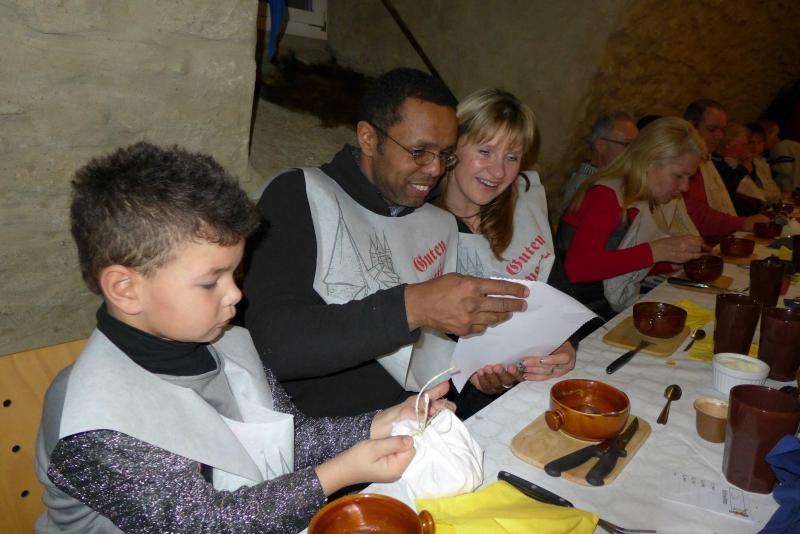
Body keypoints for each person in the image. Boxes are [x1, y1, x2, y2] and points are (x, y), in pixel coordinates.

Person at [35, 142, 452, 533]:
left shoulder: (228, 344)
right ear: (126, 289)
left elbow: (288, 439)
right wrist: (338, 474)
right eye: (210, 282)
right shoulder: (92, 418)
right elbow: (206, 524)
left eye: (234, 273)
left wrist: (378, 424)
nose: (236, 294)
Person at [242, 68, 528, 418]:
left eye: (445, 155)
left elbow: (444, 354)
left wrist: (479, 375)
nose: (435, 169)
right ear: (368, 138)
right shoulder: (299, 196)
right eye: (419, 151)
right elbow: (273, 347)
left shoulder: (441, 223)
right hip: (330, 433)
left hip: (422, 418)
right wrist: (411, 306)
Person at [432, 88, 582, 416]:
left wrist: (566, 345)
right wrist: (472, 380)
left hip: (532, 390)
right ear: (452, 148)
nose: (499, 171)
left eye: (512, 157)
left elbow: (562, 301)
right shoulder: (417, 224)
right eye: (485, 151)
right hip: (450, 409)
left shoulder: (525, 214)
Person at [558, 117, 705, 318]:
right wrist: (655, 251)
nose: (685, 187)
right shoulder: (605, 196)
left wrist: (670, 261)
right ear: (649, 162)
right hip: (578, 313)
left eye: (689, 178)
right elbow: (577, 268)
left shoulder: (637, 196)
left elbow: (619, 263)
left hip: (600, 302)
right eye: (679, 176)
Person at [682, 99, 768, 238]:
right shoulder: (685, 162)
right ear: (691, 126)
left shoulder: (707, 158)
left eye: (722, 130)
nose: (719, 136)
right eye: (711, 129)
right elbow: (697, 215)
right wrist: (743, 223)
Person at [560, 111, 638, 215]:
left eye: (637, 145)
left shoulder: (614, 180)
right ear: (601, 145)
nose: (635, 152)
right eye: (628, 145)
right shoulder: (585, 187)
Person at [744, 122, 782, 203]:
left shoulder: (762, 165)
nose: (755, 147)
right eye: (751, 142)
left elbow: (775, 192)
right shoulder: (740, 165)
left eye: (759, 142)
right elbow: (754, 194)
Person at [759, 118, 800, 192]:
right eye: (775, 135)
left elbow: (786, 169)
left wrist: (770, 166)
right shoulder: (789, 145)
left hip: (793, 188)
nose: (777, 138)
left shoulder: (780, 146)